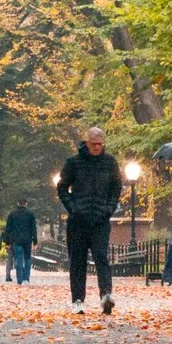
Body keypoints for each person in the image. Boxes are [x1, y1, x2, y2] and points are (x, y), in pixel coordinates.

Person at [56, 126, 122, 313]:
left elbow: (116, 188)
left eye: (101, 144)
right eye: (94, 144)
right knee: (77, 261)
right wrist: (73, 208)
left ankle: (106, 295)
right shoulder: (73, 163)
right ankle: (78, 300)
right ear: (87, 143)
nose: (97, 147)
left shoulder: (110, 163)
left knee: (102, 257)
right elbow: (62, 188)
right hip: (78, 221)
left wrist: (108, 209)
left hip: (100, 219)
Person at [2, 199, 37, 285]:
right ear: (26, 204)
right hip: (27, 240)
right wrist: (35, 241)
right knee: (28, 259)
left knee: (18, 259)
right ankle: (26, 278)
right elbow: (33, 228)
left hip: (16, 240)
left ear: (18, 203)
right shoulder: (30, 214)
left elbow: (8, 229)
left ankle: (19, 279)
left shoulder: (12, 214)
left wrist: (7, 242)